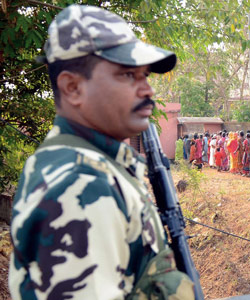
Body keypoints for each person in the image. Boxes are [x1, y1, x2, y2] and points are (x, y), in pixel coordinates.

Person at [9, 5, 194, 299]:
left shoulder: (87, 164)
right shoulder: (80, 186)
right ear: (72, 88)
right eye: (127, 75)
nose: (148, 90)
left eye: (144, 75)